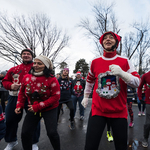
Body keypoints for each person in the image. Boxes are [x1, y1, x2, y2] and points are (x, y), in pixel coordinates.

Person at [81, 31, 140, 150]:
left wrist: (123, 74)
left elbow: (137, 82)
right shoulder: (95, 62)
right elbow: (89, 80)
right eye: (105, 38)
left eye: (111, 38)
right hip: (98, 110)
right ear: (102, 43)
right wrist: (86, 96)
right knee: (90, 146)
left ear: (116, 42)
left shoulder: (125, 61)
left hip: (119, 111)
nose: (107, 39)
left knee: (121, 147)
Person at [15, 55, 61, 150]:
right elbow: (22, 93)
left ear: (46, 66)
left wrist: (39, 106)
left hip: (49, 108)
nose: (35, 65)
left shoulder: (52, 79)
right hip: (33, 108)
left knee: (52, 133)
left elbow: (56, 97)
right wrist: (19, 105)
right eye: (35, 63)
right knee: (25, 133)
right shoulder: (26, 77)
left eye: (39, 63)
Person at [2, 48, 40, 150]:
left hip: (32, 98)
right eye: (24, 54)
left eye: (28, 54)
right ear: (21, 56)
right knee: (10, 119)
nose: (26, 55)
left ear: (32, 56)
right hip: (14, 97)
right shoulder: (13, 69)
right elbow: (5, 81)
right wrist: (10, 85)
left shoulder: (38, 68)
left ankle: (34, 142)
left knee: (34, 120)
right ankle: (11, 141)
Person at [138, 71, 150, 148]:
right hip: (149, 102)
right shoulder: (146, 76)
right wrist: (139, 97)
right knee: (148, 123)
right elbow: (139, 86)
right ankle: (145, 138)